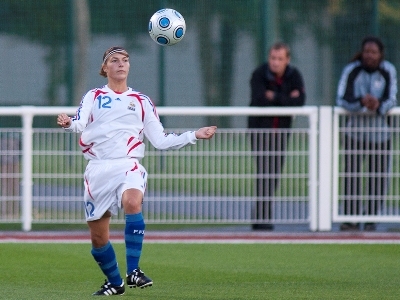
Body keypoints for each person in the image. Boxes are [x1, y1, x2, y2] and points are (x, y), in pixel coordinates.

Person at [57, 46, 217, 296]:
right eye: (114, 60)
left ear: (129, 67)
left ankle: (133, 271)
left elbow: (161, 140)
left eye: (125, 60)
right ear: (104, 68)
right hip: (98, 170)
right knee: (98, 240)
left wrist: (194, 135)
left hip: (128, 164)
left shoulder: (141, 101)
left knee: (133, 202)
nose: (121, 64)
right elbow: (78, 123)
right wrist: (68, 124)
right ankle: (115, 283)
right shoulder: (94, 95)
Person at [336, 36, 397, 231]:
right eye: (367, 52)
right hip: (355, 134)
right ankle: (351, 218)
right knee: (352, 175)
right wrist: (361, 102)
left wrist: (378, 105)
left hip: (380, 135)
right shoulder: (352, 70)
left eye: (374, 52)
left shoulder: (388, 71)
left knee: (378, 177)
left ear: (380, 55)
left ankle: (371, 217)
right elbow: (341, 98)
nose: (369, 56)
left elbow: (391, 98)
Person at [248, 42, 306, 230]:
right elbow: (259, 98)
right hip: (260, 131)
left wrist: (275, 96)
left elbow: (299, 101)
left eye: (280, 59)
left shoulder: (294, 75)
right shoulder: (259, 74)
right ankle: (262, 217)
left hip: (281, 132)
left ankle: (262, 214)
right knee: (264, 171)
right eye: (273, 58)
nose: (275, 62)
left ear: (287, 60)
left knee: (274, 173)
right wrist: (286, 98)